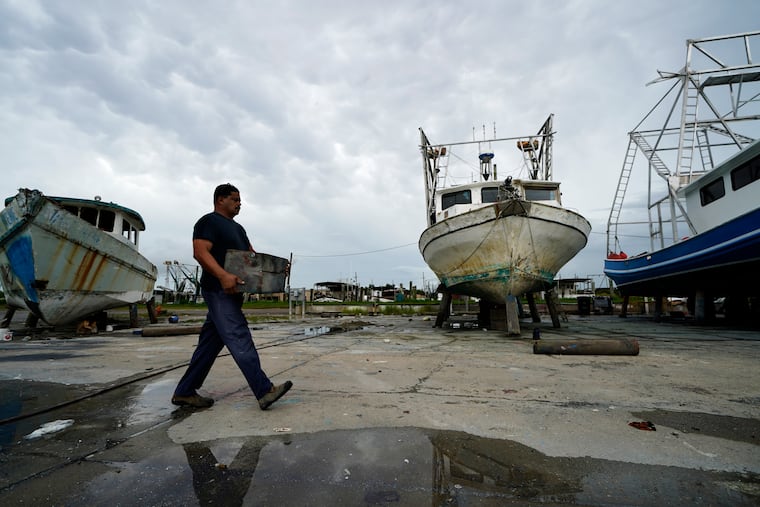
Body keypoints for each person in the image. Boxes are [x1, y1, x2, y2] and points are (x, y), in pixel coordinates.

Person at [172, 183, 292, 410]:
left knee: (208, 346)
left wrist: (276, 272)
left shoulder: (239, 229)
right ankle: (264, 390)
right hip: (218, 291)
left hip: (234, 293)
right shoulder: (208, 222)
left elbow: (252, 260)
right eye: (235, 199)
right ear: (220, 200)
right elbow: (200, 252)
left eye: (240, 200)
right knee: (239, 337)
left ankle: (184, 392)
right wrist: (223, 275)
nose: (239, 203)